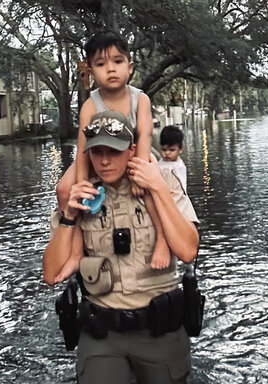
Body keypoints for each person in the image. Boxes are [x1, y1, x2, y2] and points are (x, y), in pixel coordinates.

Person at [43, 110, 200, 384]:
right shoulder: (81, 195)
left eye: (114, 151)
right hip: (103, 336)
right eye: (97, 152)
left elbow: (188, 248)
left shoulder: (162, 183)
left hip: (160, 332)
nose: (105, 160)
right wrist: (68, 217)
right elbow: (52, 273)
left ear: (132, 150)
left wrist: (157, 190)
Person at [53, 31, 171, 284]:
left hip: (135, 152)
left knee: (151, 187)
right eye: (101, 64)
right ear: (91, 72)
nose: (111, 69)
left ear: (130, 67)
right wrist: (82, 183)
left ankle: (162, 239)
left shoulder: (140, 99)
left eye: (118, 61)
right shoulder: (90, 105)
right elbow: (83, 148)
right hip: (97, 154)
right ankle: (76, 253)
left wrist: (139, 174)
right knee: (65, 190)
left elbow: (145, 133)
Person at [158, 125, 187, 193]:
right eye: (164, 150)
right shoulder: (161, 161)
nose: (167, 153)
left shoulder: (178, 167)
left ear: (180, 149)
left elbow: (181, 187)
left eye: (172, 150)